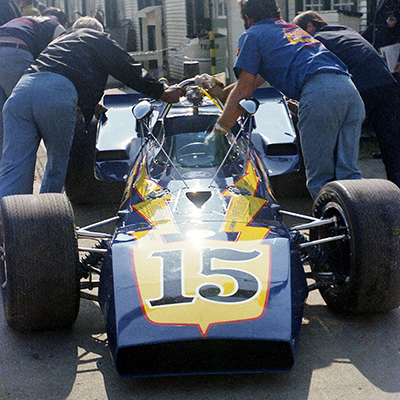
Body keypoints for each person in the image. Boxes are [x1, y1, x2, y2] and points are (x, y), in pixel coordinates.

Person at [0, 17, 184, 199]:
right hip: (54, 94)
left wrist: (89, 105)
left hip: (21, 92)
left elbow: (59, 71)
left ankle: (8, 219)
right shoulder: (97, 37)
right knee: (56, 165)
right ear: (100, 30)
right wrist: (161, 92)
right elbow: (127, 69)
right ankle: (44, 218)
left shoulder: (59, 42)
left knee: (14, 166)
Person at [206, 0, 365, 199]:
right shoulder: (290, 30)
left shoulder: (252, 35)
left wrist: (219, 130)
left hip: (320, 95)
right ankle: (362, 226)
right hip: (349, 90)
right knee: (348, 174)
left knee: (321, 180)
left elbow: (244, 92)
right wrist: (222, 94)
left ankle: (330, 229)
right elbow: (254, 80)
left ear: (248, 18)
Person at [292, 10, 400, 189]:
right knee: (392, 147)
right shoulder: (347, 31)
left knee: (337, 142)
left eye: (298, 32)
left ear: (309, 26)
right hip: (386, 83)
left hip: (360, 86)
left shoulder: (316, 40)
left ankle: (341, 195)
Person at [0, 14, 66, 159]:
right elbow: (68, 48)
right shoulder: (53, 24)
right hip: (16, 53)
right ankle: (19, 170)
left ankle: (4, 172)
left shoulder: (21, 21)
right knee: (23, 116)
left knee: (3, 122)